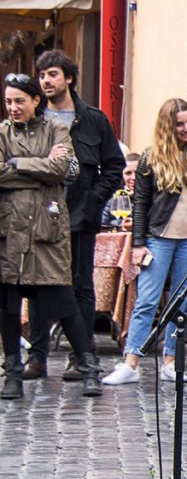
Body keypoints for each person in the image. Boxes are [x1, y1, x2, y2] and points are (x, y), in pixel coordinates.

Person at [102, 99, 187, 385]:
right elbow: (141, 205)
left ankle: (171, 360)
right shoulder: (150, 158)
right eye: (179, 124)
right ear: (168, 126)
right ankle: (131, 362)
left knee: (182, 304)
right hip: (158, 239)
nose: (186, 128)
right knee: (147, 300)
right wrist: (138, 244)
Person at [23, 50, 125, 382]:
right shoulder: (31, 119)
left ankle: (80, 356)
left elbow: (114, 167)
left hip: (79, 216)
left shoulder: (93, 119)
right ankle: (37, 357)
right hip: (38, 217)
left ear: (68, 78)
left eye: (52, 74)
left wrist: (94, 200)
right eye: (42, 75)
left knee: (79, 286)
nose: (46, 81)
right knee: (38, 286)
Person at [0, 73, 102, 399]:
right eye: (8, 101)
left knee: (64, 303)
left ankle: (88, 368)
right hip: (11, 233)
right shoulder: (2, 133)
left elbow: (61, 170)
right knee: (9, 307)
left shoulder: (55, 129)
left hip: (47, 232)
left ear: (34, 101)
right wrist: (39, 167)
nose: (13, 107)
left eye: (19, 101)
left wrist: (17, 164)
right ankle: (13, 374)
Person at [101, 152, 140, 231]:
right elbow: (102, 224)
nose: (133, 177)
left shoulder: (152, 197)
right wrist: (120, 225)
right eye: (128, 173)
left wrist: (137, 226)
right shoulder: (114, 197)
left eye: (137, 173)